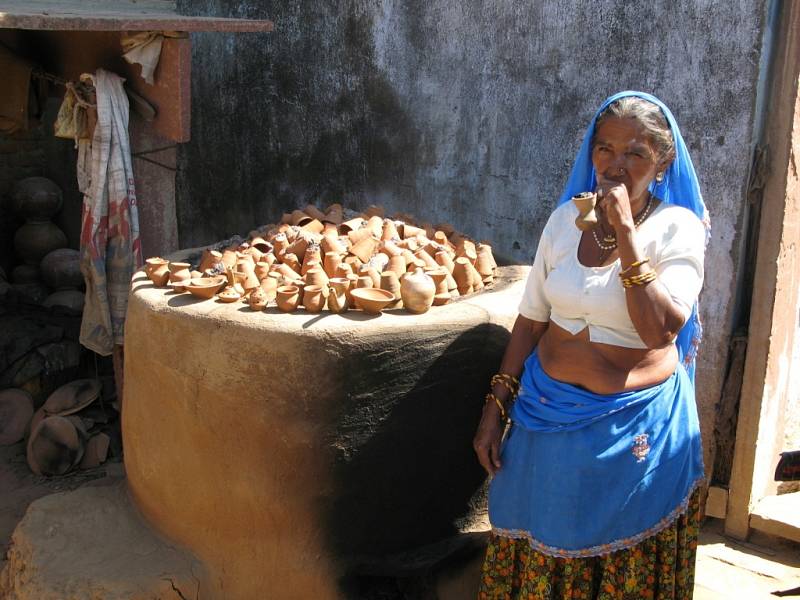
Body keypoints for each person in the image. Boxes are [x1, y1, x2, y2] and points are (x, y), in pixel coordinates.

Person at [473, 91, 709, 599]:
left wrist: (625, 233)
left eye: (636, 154)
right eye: (605, 150)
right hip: (543, 420)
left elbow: (660, 331)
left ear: (663, 163)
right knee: (537, 546)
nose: (616, 166)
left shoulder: (678, 230)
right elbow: (532, 320)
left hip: (631, 431)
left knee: (618, 561)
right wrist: (495, 407)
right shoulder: (563, 222)